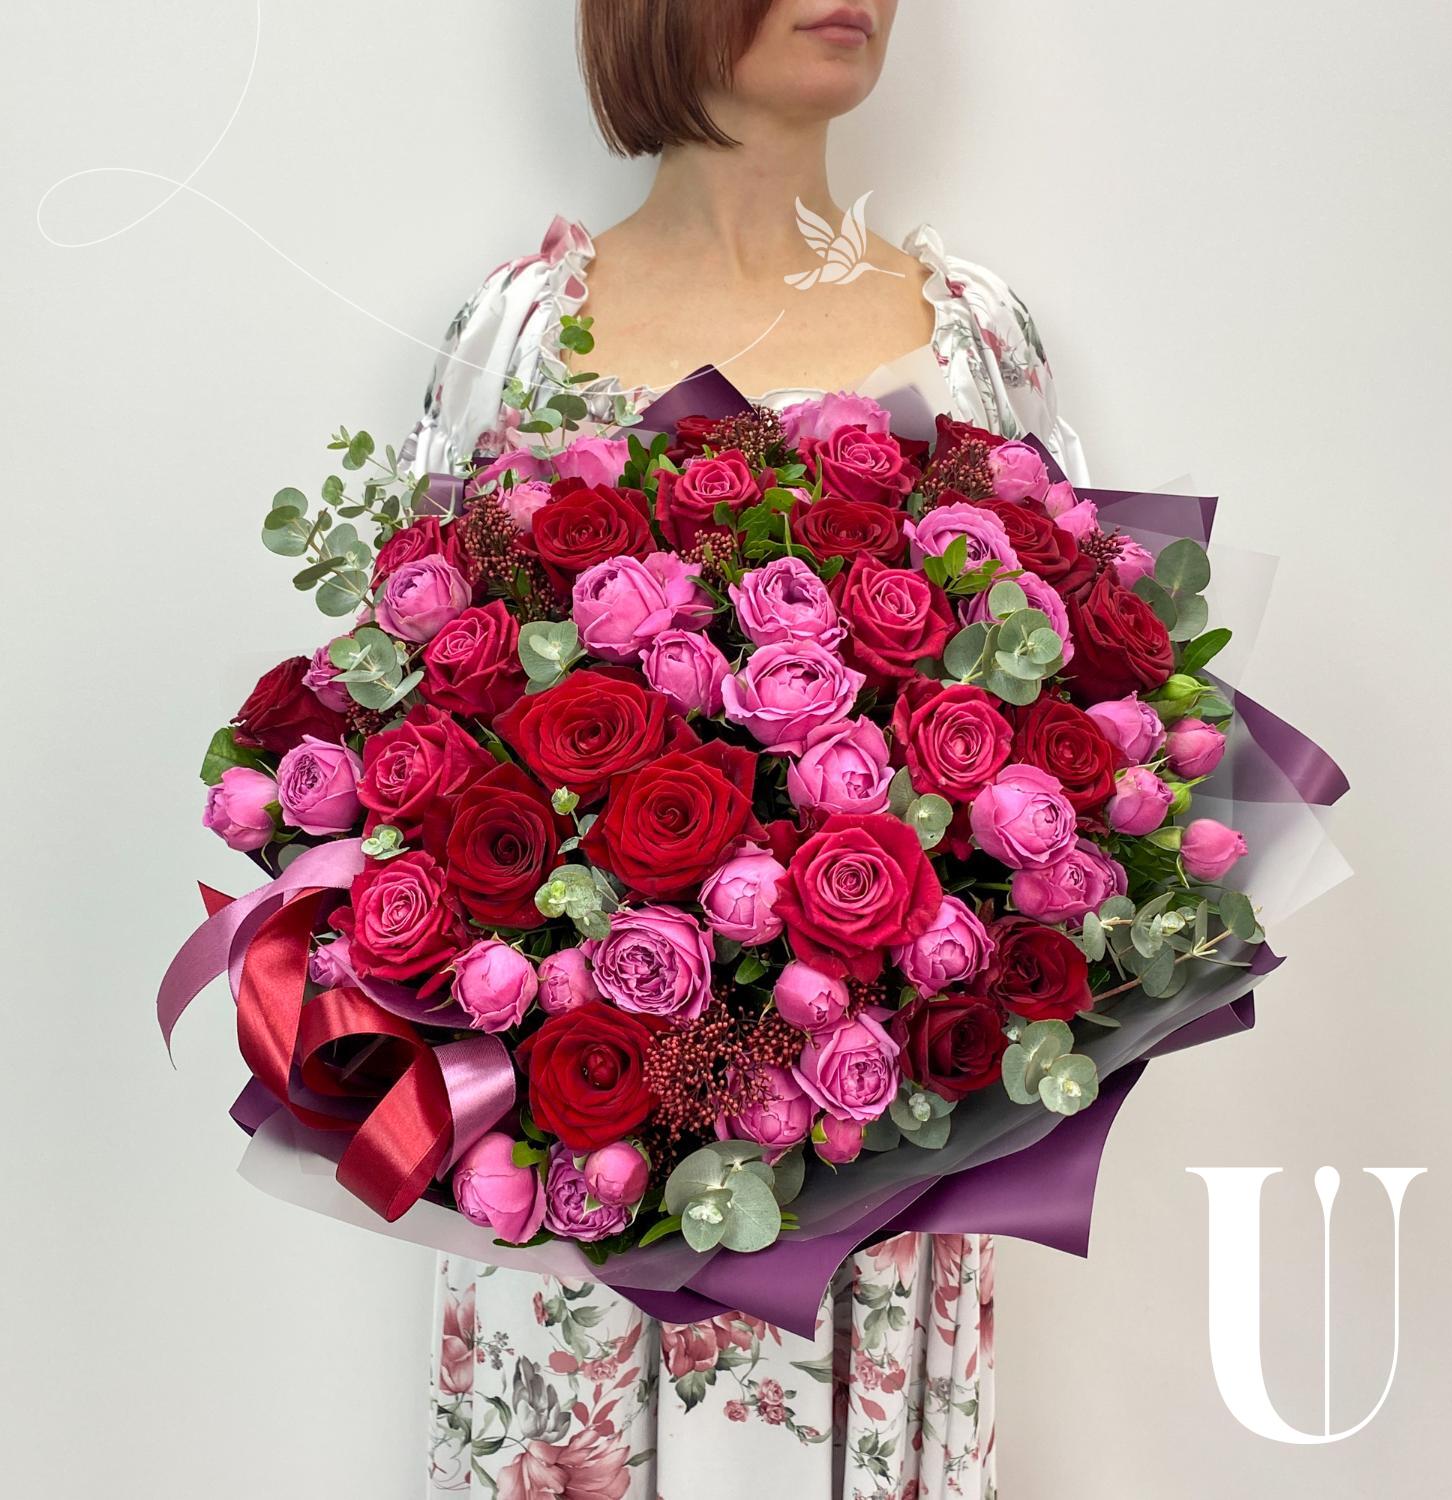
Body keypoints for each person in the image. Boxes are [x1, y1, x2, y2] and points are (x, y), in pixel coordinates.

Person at [410, 4, 1086, 1495]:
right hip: (578, 1169)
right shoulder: (520, 334)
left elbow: (1075, 720)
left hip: (882, 1173)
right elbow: (419, 720)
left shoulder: (974, 338)